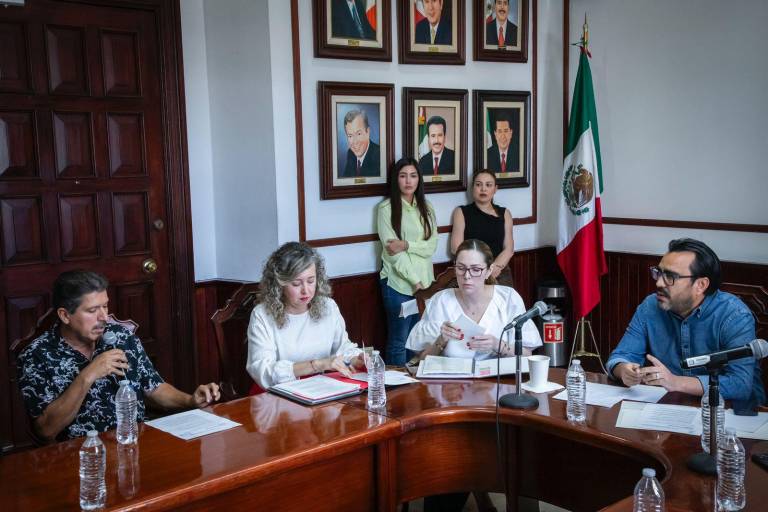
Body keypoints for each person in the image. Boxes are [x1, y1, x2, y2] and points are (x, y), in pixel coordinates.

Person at [17, 270, 221, 443]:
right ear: (65, 315)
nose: (103, 317)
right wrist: (88, 375)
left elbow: (153, 387)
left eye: (105, 306)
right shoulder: (37, 355)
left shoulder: (120, 336)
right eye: (92, 310)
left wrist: (190, 400)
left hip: (136, 442)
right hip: (82, 455)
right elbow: (46, 430)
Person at [607, 238, 765, 408]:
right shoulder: (650, 307)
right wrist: (624, 370)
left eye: (670, 277)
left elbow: (740, 384)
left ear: (701, 285)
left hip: (733, 413)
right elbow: (620, 356)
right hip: (671, 408)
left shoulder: (734, 315)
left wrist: (676, 382)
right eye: (658, 272)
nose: (658, 282)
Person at [247, 242, 365, 391]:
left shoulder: (328, 306)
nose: (306, 290)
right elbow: (262, 370)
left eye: (311, 281)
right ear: (279, 285)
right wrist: (317, 365)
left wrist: (356, 359)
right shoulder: (262, 315)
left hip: (321, 388)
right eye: (296, 283)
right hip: (277, 393)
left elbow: (342, 347)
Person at [407, 239, 540, 360]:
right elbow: (422, 358)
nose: (467, 276)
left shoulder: (508, 298)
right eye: (461, 268)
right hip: (452, 383)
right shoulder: (440, 301)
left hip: (499, 380)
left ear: (489, 271)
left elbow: (527, 354)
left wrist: (497, 345)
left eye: (476, 269)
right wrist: (441, 340)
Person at [377, 157, 438, 365]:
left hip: (426, 284)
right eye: (403, 176)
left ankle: (413, 389)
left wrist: (407, 244)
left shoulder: (427, 207)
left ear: (419, 179)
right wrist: (416, 282)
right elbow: (394, 255)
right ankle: (396, 393)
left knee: (417, 339)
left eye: (413, 176)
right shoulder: (386, 209)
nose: (408, 181)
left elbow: (432, 246)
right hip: (399, 286)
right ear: (396, 180)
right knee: (399, 340)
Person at [450, 169, 515, 285]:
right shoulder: (461, 212)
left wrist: (493, 269)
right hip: (469, 270)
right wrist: (477, 269)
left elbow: (509, 249)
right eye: (478, 184)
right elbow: (456, 248)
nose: (483, 189)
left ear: (495, 189)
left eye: (488, 185)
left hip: (499, 270)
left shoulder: (505, 213)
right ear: (472, 188)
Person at [340, 109, 381, 178]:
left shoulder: (379, 155)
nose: (355, 142)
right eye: (350, 136)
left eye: (359, 134)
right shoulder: (350, 153)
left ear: (367, 132)